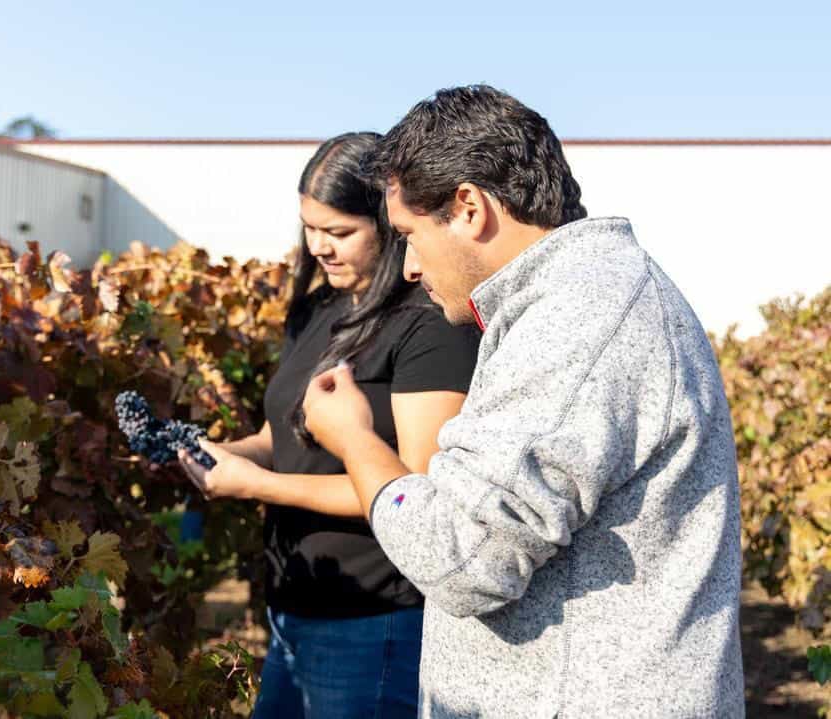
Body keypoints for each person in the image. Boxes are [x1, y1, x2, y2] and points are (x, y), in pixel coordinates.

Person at [300, 87, 745, 718]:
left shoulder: (580, 322)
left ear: (469, 208)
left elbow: (462, 558)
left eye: (410, 236)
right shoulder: (580, 301)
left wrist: (354, 441)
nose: (409, 268)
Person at [177, 132, 480, 719]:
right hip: (294, 608)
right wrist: (222, 453)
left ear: (389, 225)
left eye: (339, 232)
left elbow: (414, 488)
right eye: (309, 228)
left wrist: (257, 486)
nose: (319, 247)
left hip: (374, 618)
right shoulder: (316, 311)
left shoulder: (429, 325)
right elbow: (283, 438)